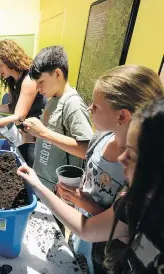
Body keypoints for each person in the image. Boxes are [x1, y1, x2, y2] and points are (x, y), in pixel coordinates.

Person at [18, 66, 164, 273]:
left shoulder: (139, 193)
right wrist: (84, 200)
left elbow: (98, 226)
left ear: (122, 116)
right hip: (83, 241)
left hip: (103, 254)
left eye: (96, 106)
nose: (89, 109)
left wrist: (38, 185)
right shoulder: (101, 139)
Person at [22, 46, 94, 191]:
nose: (38, 88)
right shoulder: (52, 98)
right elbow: (52, 138)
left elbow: (87, 150)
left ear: (57, 74)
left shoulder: (73, 104)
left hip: (60, 190)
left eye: (41, 82)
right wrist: (33, 134)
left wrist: (43, 132)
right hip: (43, 181)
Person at [0, 39, 46, 142]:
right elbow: (14, 107)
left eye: (0, 65)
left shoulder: (29, 80)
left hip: (37, 136)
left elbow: (18, 116)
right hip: (25, 133)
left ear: (10, 60)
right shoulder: (12, 79)